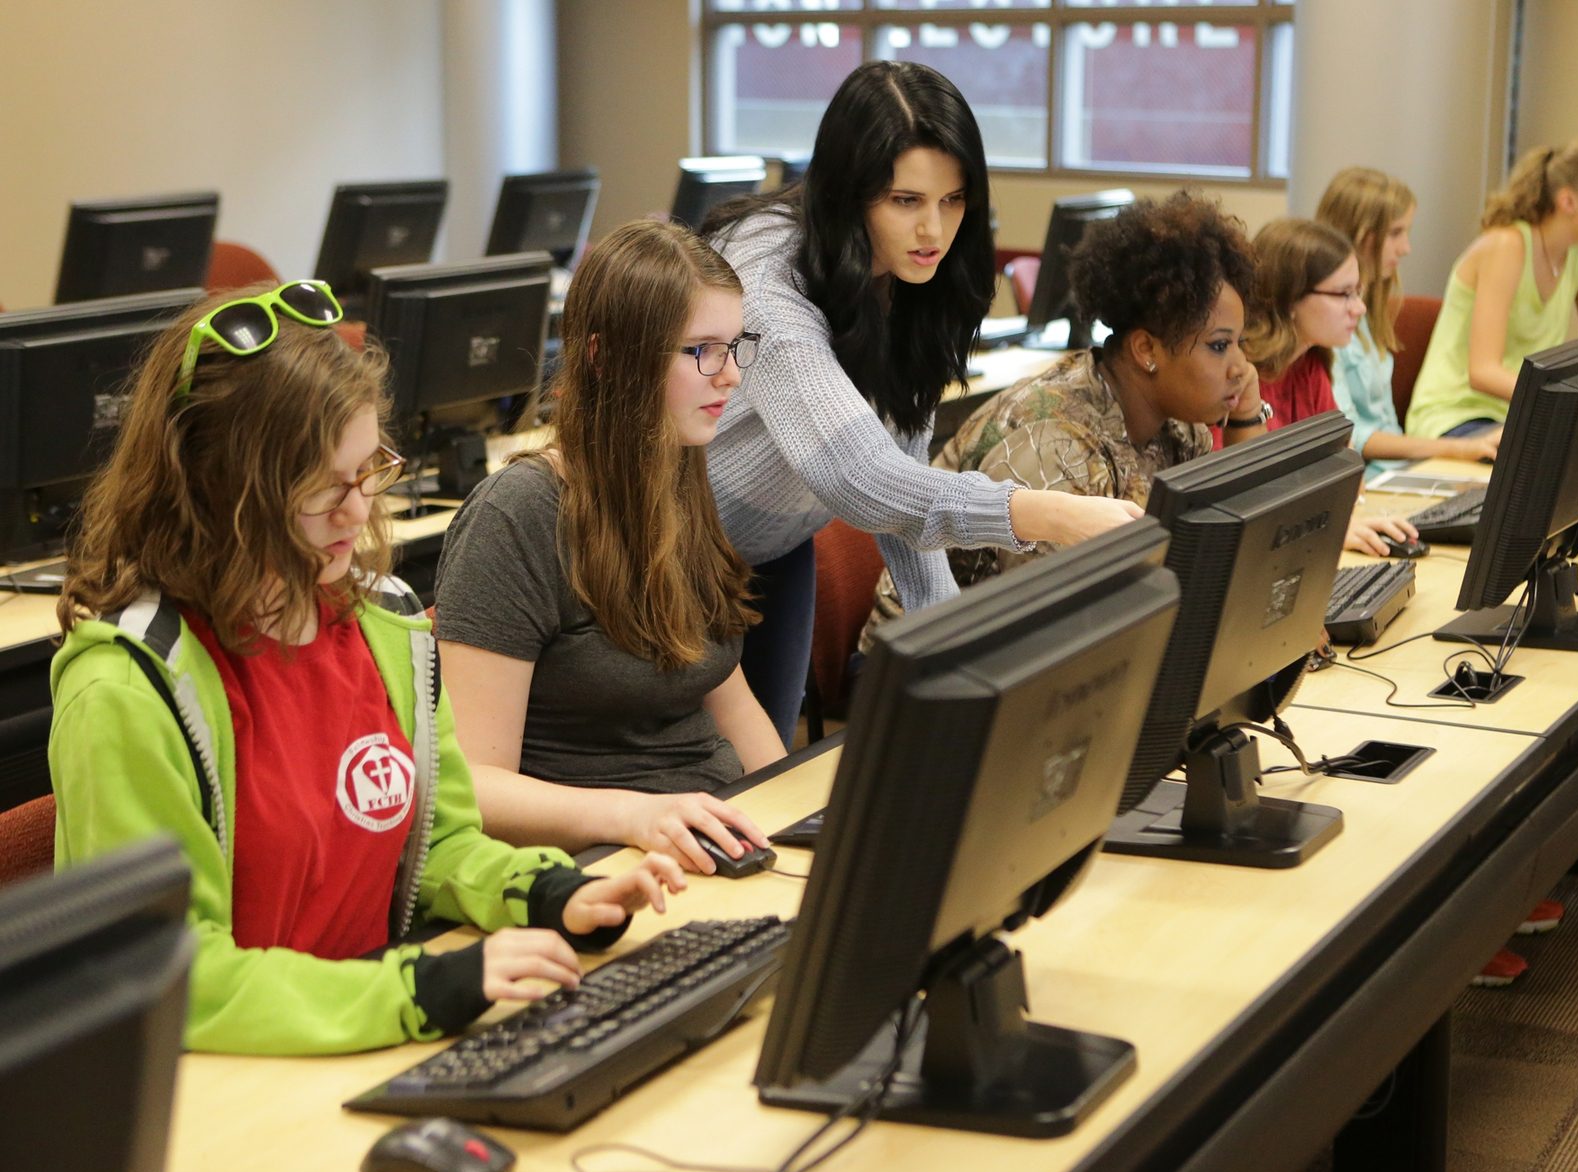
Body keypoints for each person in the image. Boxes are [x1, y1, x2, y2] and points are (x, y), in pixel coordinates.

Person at [50, 282, 684, 1055]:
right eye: (323, 487)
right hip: (229, 1082)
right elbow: (170, 971)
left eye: (367, 471)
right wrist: (414, 989)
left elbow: (439, 845)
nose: (357, 512)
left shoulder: (382, 622)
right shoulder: (129, 688)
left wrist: (551, 892)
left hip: (362, 1034)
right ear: (223, 490)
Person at [701, 60, 1141, 739]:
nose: (934, 230)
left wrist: (951, 660)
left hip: (775, 548)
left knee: (766, 787)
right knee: (717, 792)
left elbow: (901, 472)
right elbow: (860, 478)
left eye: (953, 200)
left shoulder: (909, 280)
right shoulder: (767, 282)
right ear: (850, 194)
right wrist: (1046, 514)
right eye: (905, 201)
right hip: (670, 551)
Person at [434, 222, 786, 874]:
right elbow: (472, 788)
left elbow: (732, 699)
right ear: (605, 356)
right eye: (703, 350)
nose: (731, 375)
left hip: (709, 836)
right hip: (606, 861)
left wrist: (796, 814)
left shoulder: (680, 476)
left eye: (736, 346)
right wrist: (635, 816)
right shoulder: (520, 516)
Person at [862, 190, 1263, 635]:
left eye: (1239, 344)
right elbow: (1054, 632)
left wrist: (1246, 416)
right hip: (924, 668)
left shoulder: (1180, 425)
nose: (1240, 367)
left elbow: (1232, 546)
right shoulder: (1052, 443)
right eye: (1220, 346)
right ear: (1147, 349)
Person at [1404, 140, 1578, 440]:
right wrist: (1563, 402)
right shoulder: (1507, 248)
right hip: (1456, 417)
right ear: (1568, 202)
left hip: (1515, 415)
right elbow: (1483, 371)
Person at [1245, 217, 1419, 556]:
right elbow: (1249, 503)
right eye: (1344, 294)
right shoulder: (1241, 377)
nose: (1359, 308)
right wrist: (1329, 528)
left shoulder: (1310, 364)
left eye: (1358, 292)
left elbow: (1344, 472)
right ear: (1290, 298)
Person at [1314, 167, 1503, 474]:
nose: (1406, 248)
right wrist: (1456, 449)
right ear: (1361, 236)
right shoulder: (1328, 321)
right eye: (1395, 233)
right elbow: (1351, 436)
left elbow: (1384, 420)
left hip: (1399, 470)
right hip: (1370, 477)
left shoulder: (1369, 309)